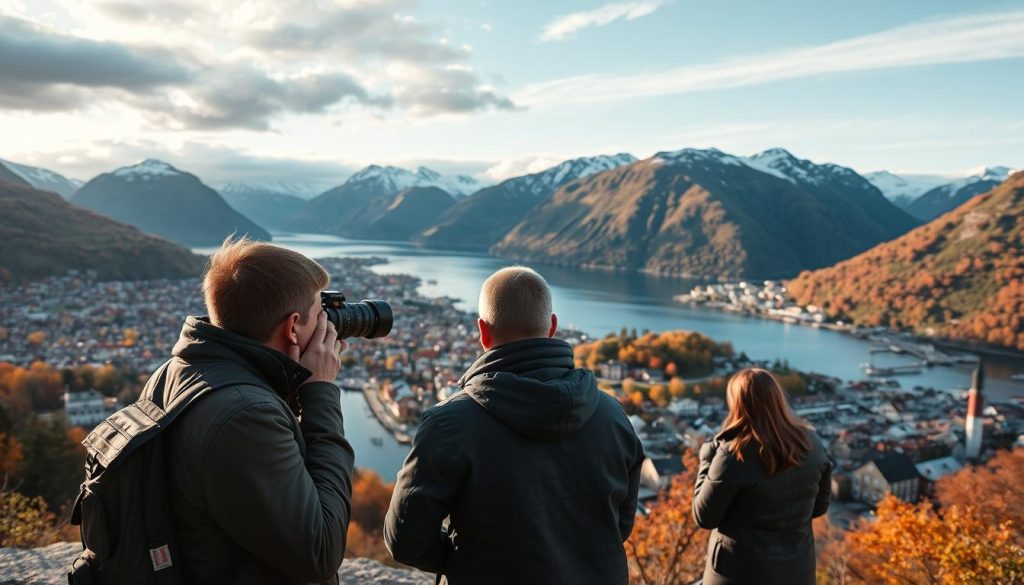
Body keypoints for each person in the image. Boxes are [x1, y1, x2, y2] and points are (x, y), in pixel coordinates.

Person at [384, 266, 645, 585]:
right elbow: (619, 524)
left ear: (483, 332)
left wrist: (467, 562)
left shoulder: (448, 425)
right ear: (552, 326)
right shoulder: (613, 414)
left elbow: (404, 539)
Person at [162, 237, 355, 584]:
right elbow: (321, 552)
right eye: (319, 311)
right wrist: (321, 392)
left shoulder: (183, 369)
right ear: (293, 326)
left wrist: (288, 384)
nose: (327, 323)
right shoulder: (245, 416)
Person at [693, 368, 832, 585]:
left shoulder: (734, 454)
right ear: (777, 399)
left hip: (739, 573)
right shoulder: (812, 443)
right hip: (798, 571)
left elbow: (704, 517)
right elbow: (820, 506)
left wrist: (707, 458)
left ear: (737, 404)